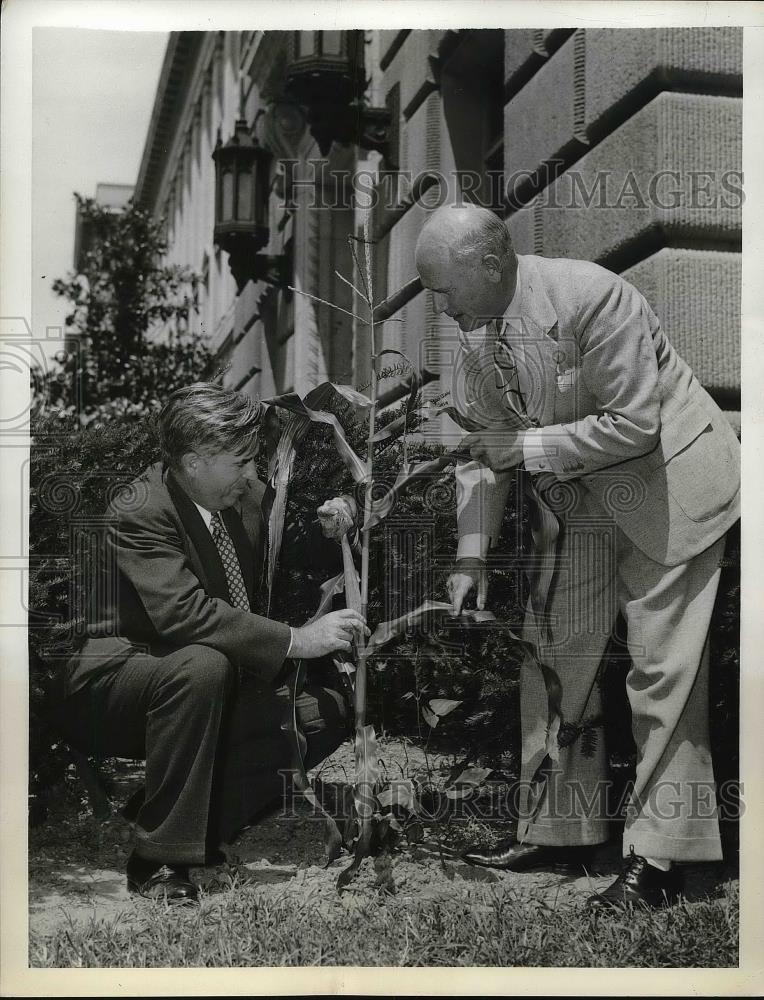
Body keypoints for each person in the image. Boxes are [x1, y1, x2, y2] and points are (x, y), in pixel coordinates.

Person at [414, 204, 740, 908]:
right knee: (555, 651)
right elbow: (483, 455)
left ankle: (662, 862)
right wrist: (471, 559)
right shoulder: (477, 334)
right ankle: (562, 829)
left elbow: (633, 423)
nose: (440, 309)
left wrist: (524, 448)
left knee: (663, 673)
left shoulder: (594, 295)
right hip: (586, 498)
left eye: (445, 290)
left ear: (490, 266)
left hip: (672, 488)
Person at [48, 382, 367, 903]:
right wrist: (295, 640)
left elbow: (292, 553)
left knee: (323, 711)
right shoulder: (139, 508)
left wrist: (332, 526)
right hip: (108, 688)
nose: (252, 473)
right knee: (202, 665)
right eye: (241, 461)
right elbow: (183, 615)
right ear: (195, 461)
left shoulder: (238, 494)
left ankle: (173, 816)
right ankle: (160, 859)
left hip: (195, 681)